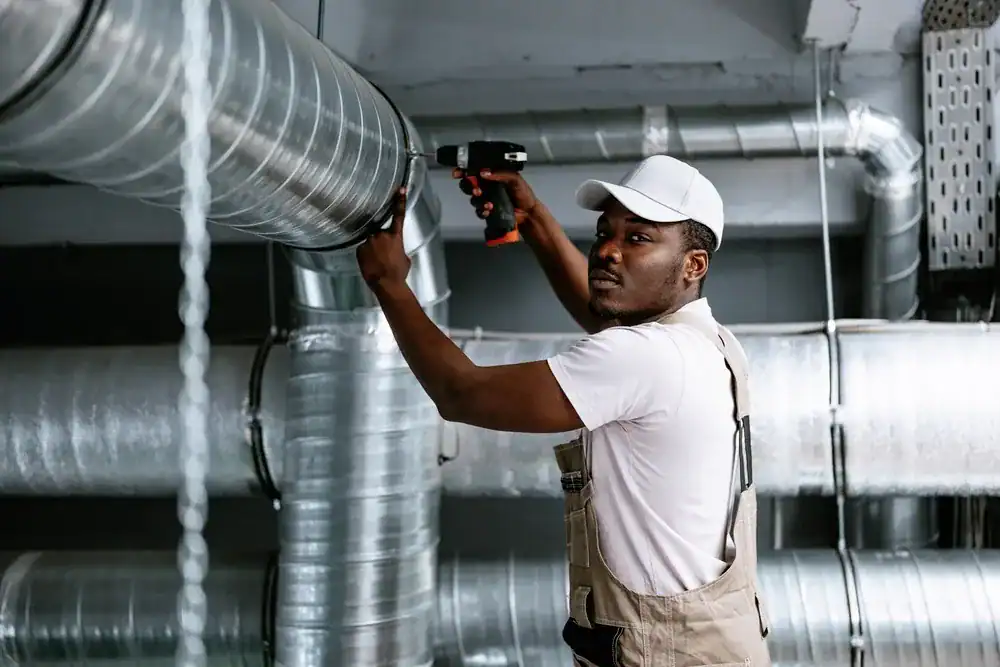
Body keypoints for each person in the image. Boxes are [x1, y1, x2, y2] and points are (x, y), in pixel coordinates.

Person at [356, 155, 771, 666]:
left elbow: (461, 393)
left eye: (638, 238)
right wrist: (529, 218)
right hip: (715, 644)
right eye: (604, 233)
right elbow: (601, 320)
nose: (608, 252)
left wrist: (389, 284)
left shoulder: (646, 356)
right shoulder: (713, 345)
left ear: (693, 264)